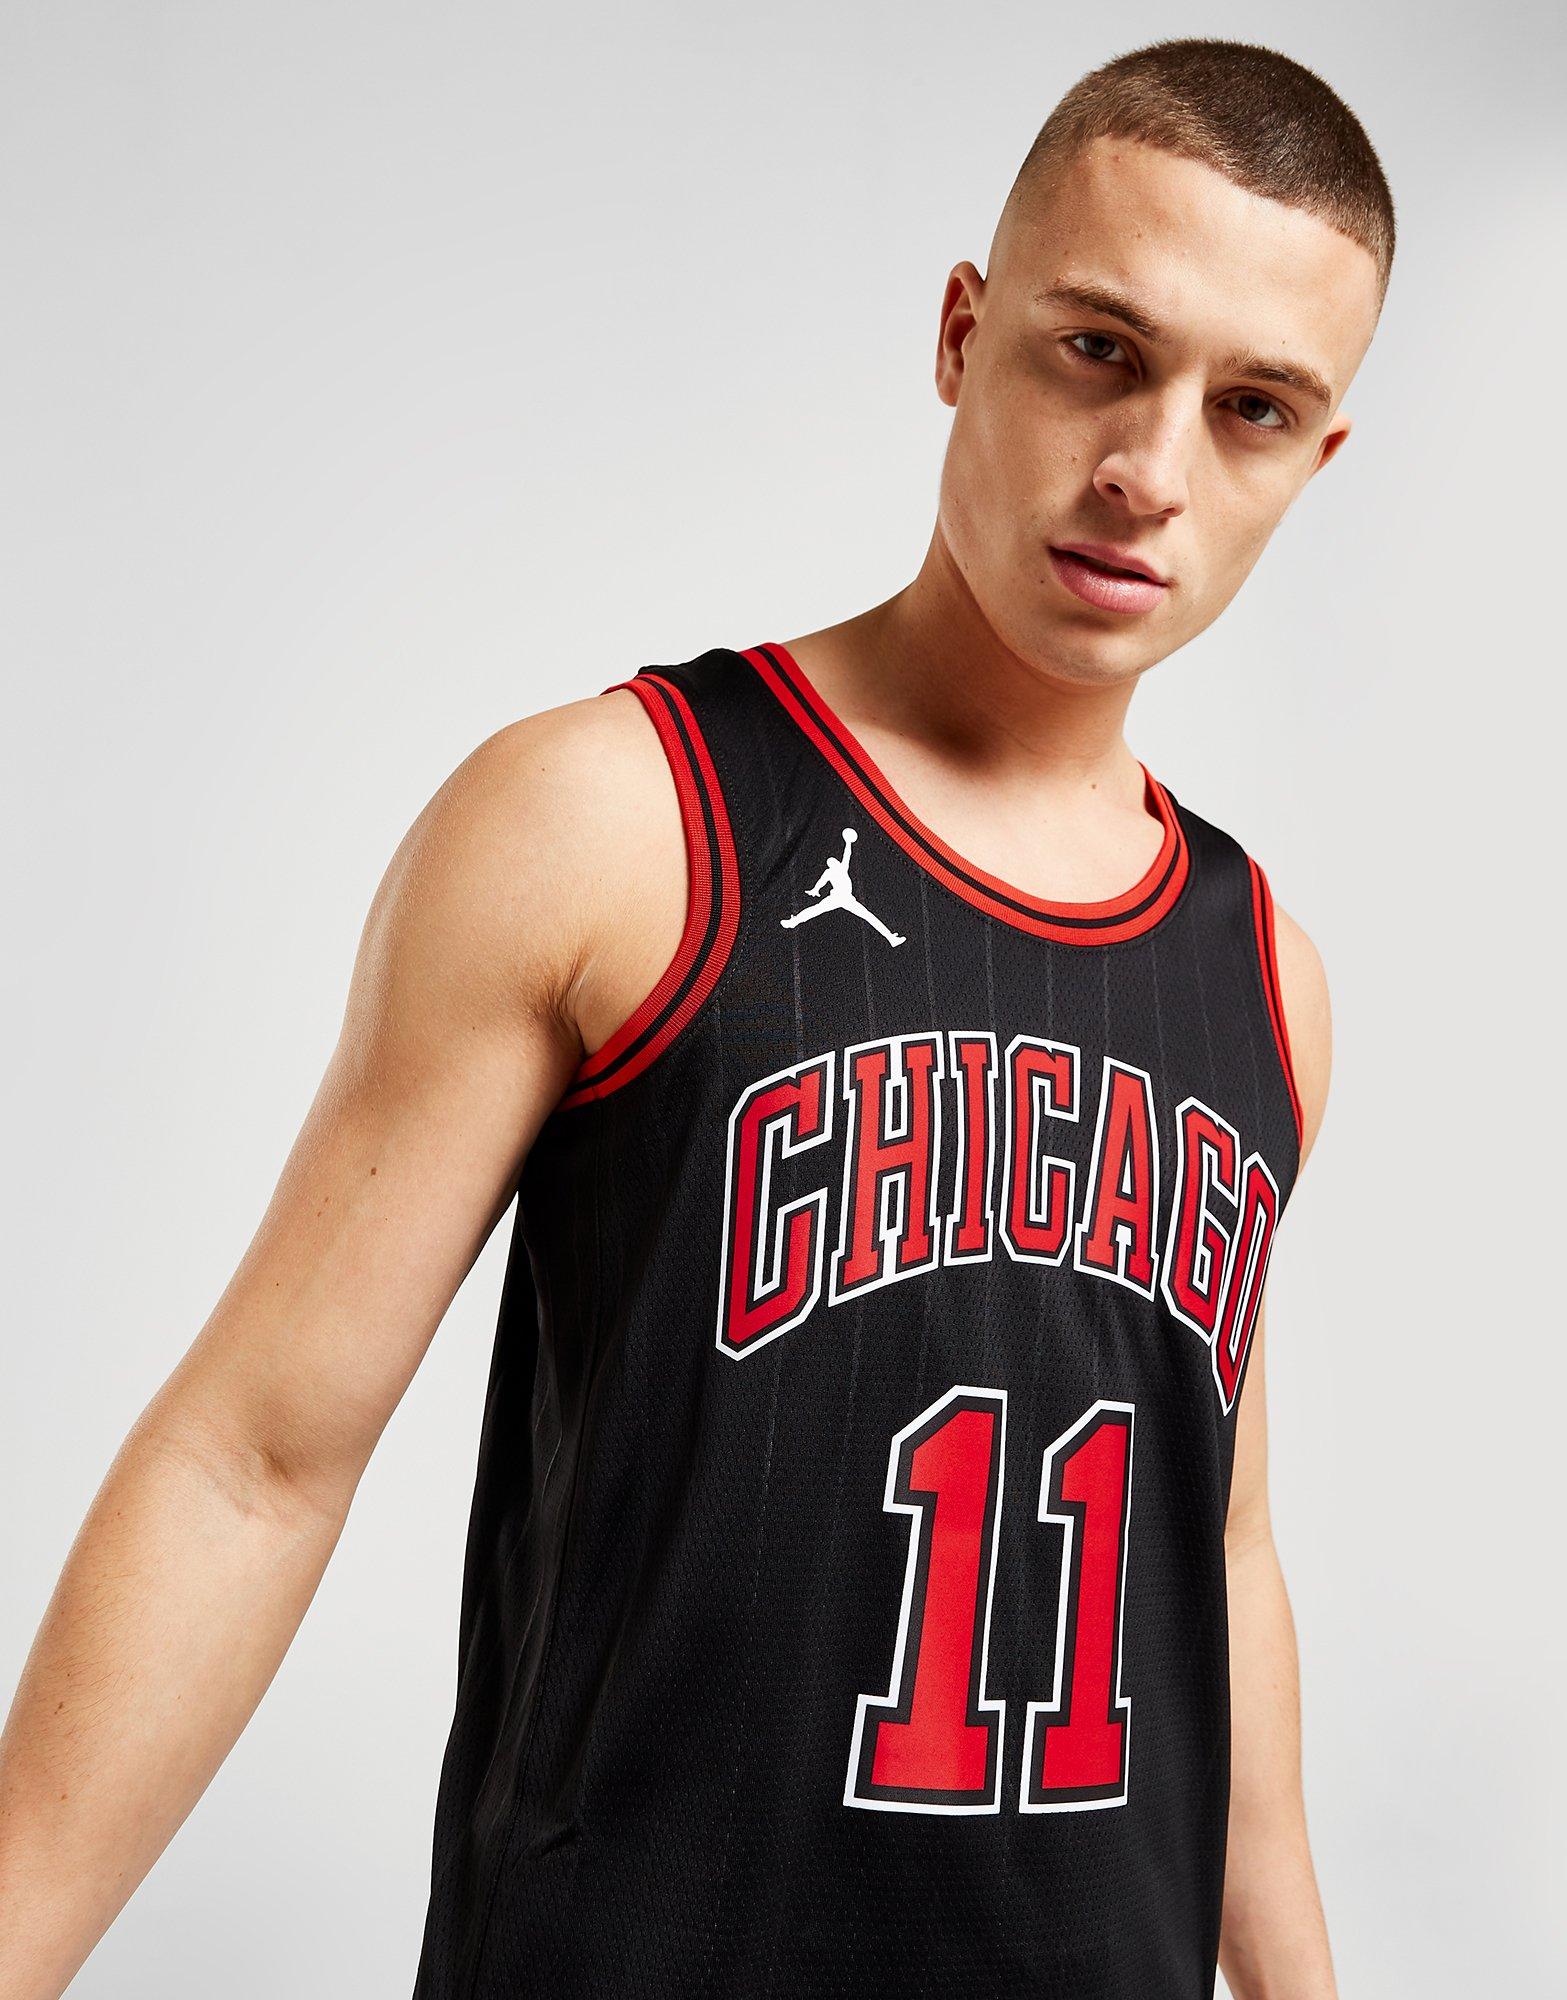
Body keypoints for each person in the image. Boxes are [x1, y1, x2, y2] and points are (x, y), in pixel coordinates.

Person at [0, 34, 1391, 2000]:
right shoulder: (615, 820)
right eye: (1099, 350)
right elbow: (256, 1461)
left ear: (1314, 460)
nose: (1149, 471)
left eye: (1250, 409)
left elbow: (1212, 1558)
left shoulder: (1264, 975)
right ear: (962, 332)